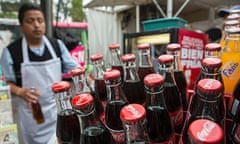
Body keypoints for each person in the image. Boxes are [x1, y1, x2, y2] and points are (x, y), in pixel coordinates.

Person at [0, 3, 79, 144]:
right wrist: (20, 91)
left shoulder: (57, 46)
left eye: (40, 20)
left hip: (57, 111)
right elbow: (6, 83)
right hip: (31, 116)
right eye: (30, 21)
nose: (36, 25)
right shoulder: (11, 52)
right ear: (21, 25)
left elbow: (75, 70)